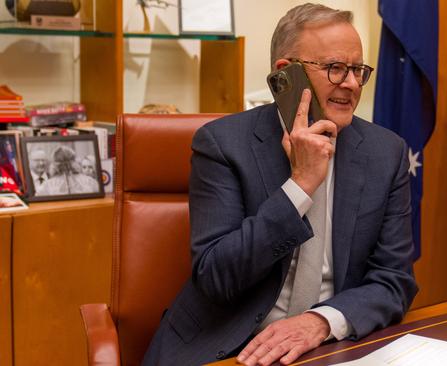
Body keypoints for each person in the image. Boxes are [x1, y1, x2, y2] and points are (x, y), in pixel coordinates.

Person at [143, 4, 417, 366]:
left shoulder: (386, 153)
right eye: (335, 68)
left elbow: (394, 280)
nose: (351, 84)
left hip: (329, 346)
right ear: (286, 75)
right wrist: (300, 186)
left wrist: (320, 321)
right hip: (229, 346)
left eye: (357, 70)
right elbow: (216, 277)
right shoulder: (222, 145)